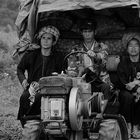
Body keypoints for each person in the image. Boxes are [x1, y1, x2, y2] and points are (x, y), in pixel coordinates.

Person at [17, 25, 64, 139]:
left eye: (49, 38)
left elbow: (63, 73)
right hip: (33, 88)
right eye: (43, 38)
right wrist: (23, 80)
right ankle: (28, 124)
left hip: (52, 89)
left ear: (53, 42)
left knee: (43, 99)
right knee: (24, 97)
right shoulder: (31, 55)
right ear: (40, 39)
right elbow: (20, 69)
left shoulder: (58, 57)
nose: (46, 41)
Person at [68, 20, 111, 100]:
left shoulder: (102, 47)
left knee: (106, 87)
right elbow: (71, 67)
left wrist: (95, 56)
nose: (87, 34)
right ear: (82, 33)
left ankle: (104, 111)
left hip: (99, 80)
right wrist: (77, 71)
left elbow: (103, 59)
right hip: (81, 79)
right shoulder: (76, 48)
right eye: (85, 31)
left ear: (95, 32)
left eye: (90, 31)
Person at [117, 37, 140, 138]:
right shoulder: (122, 63)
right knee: (127, 97)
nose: (133, 48)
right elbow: (124, 83)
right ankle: (128, 125)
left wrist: (136, 82)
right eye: (131, 46)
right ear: (127, 49)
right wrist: (136, 88)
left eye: (136, 45)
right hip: (125, 91)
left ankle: (136, 126)